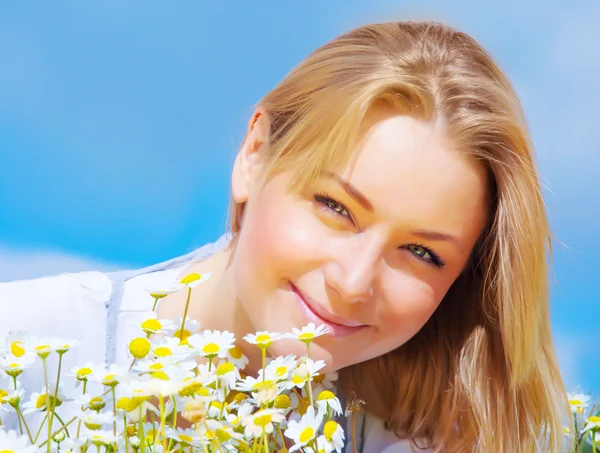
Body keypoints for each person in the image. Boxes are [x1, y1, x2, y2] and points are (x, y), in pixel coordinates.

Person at [0, 21, 571, 452]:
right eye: (335, 207)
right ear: (254, 155)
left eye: (421, 253)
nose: (352, 284)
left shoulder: (423, 439)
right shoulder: (23, 353)